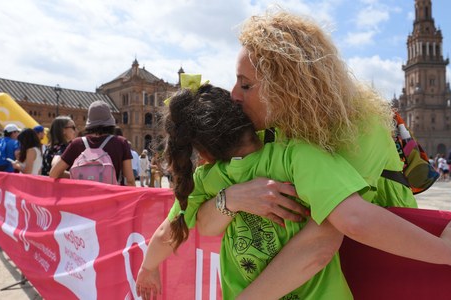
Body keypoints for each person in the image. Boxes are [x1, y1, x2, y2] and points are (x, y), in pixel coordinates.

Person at [187, 11, 451, 299]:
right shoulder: (268, 128)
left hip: (376, 271)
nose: (233, 94)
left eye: (245, 84)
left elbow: (320, 243)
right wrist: (231, 199)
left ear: (286, 87)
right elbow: (205, 221)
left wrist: (449, 250)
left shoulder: (361, 128)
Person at [138, 83, 358, 299]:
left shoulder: (209, 179)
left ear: (204, 151)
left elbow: (165, 233)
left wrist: (148, 268)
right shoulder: (291, 156)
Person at [49, 101, 136, 186]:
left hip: (83, 198)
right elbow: (130, 180)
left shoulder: (77, 143)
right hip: (110, 198)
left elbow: (53, 173)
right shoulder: (121, 142)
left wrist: (81, 177)